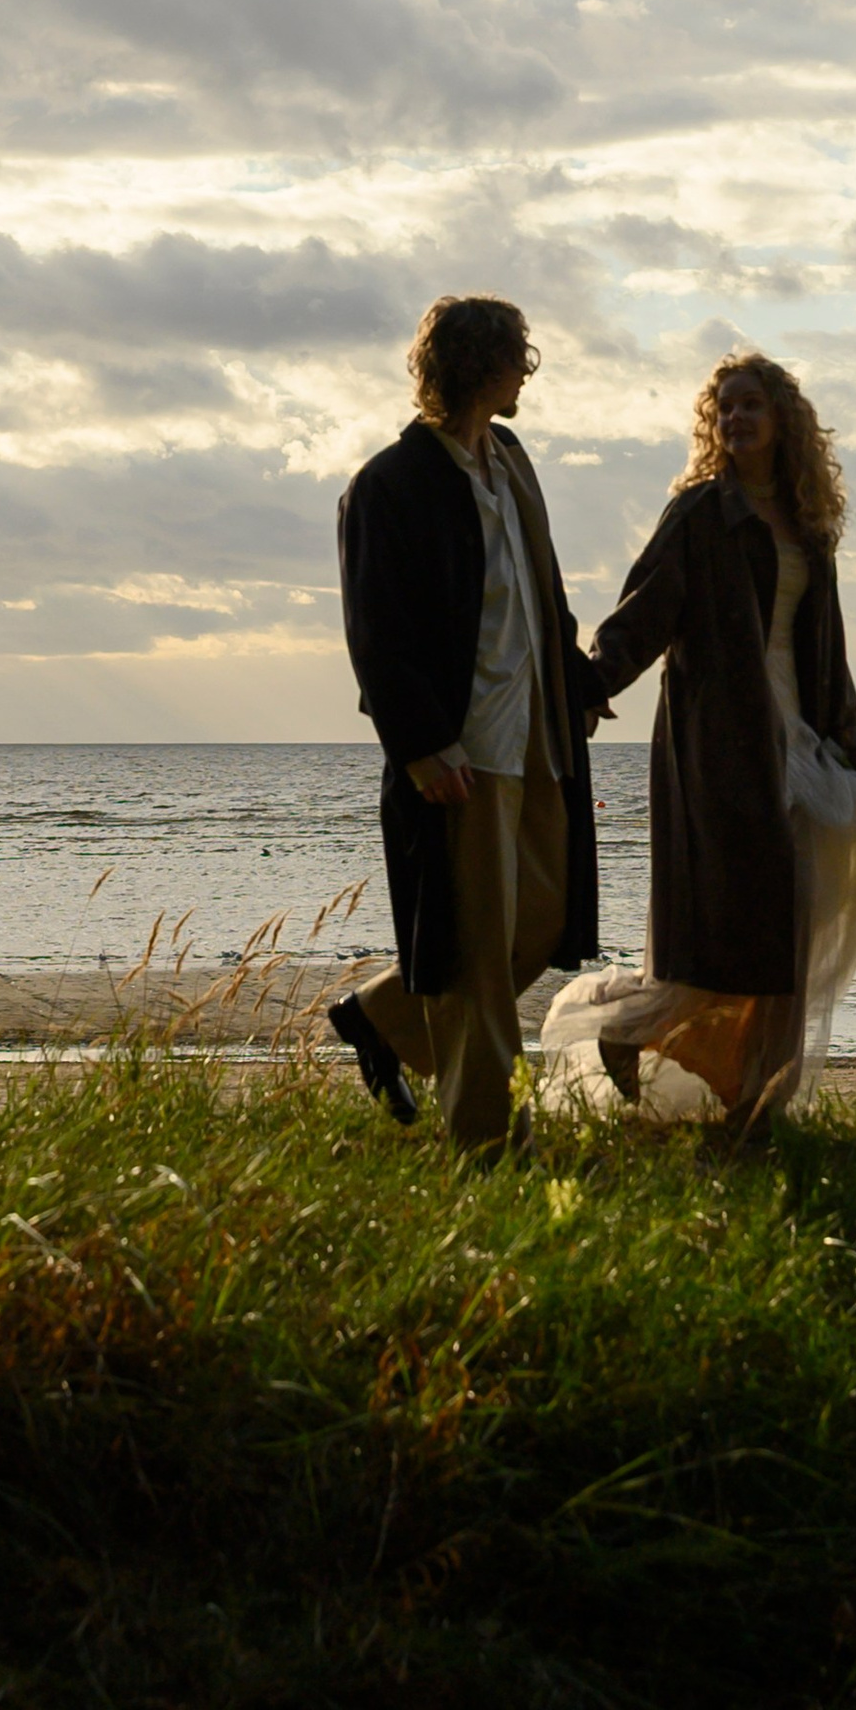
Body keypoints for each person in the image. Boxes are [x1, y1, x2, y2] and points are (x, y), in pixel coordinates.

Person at [544, 352, 856, 1137]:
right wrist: (592, 685)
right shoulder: (700, 512)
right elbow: (644, 608)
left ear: (783, 421)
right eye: (724, 408)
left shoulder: (809, 524)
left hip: (802, 739)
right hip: (721, 742)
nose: (735, 419)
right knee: (732, 925)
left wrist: (855, 751)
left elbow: (829, 650)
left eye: (750, 406)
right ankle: (630, 1028)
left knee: (791, 925)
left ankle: (757, 1103)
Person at [330, 294, 609, 1151]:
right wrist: (419, 746)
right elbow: (377, 632)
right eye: (517, 358)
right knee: (478, 956)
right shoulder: (390, 484)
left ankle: (381, 1015)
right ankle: (491, 1145)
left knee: (547, 918)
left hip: (536, 733)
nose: (525, 374)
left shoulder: (512, 458)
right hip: (457, 746)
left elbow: (541, 592)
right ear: (478, 366)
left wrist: (577, 682)